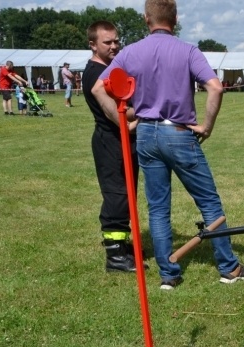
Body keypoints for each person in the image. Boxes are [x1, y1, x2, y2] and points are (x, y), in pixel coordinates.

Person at [92, 0, 244, 289]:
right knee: (209, 203)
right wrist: (207, 126)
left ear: (146, 19)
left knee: (158, 208)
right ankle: (229, 268)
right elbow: (215, 87)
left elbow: (97, 88)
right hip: (178, 133)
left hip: (145, 134)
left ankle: (168, 274)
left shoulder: (130, 52)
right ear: (175, 19)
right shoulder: (188, 50)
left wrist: (124, 123)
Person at [83, 20, 145, 273]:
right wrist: (148, 112)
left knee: (126, 195)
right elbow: (121, 120)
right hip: (111, 142)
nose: (114, 46)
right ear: (93, 45)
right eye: (107, 42)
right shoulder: (96, 74)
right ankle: (115, 257)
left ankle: (123, 246)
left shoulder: (109, 69)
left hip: (122, 142)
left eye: (116, 41)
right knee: (117, 196)